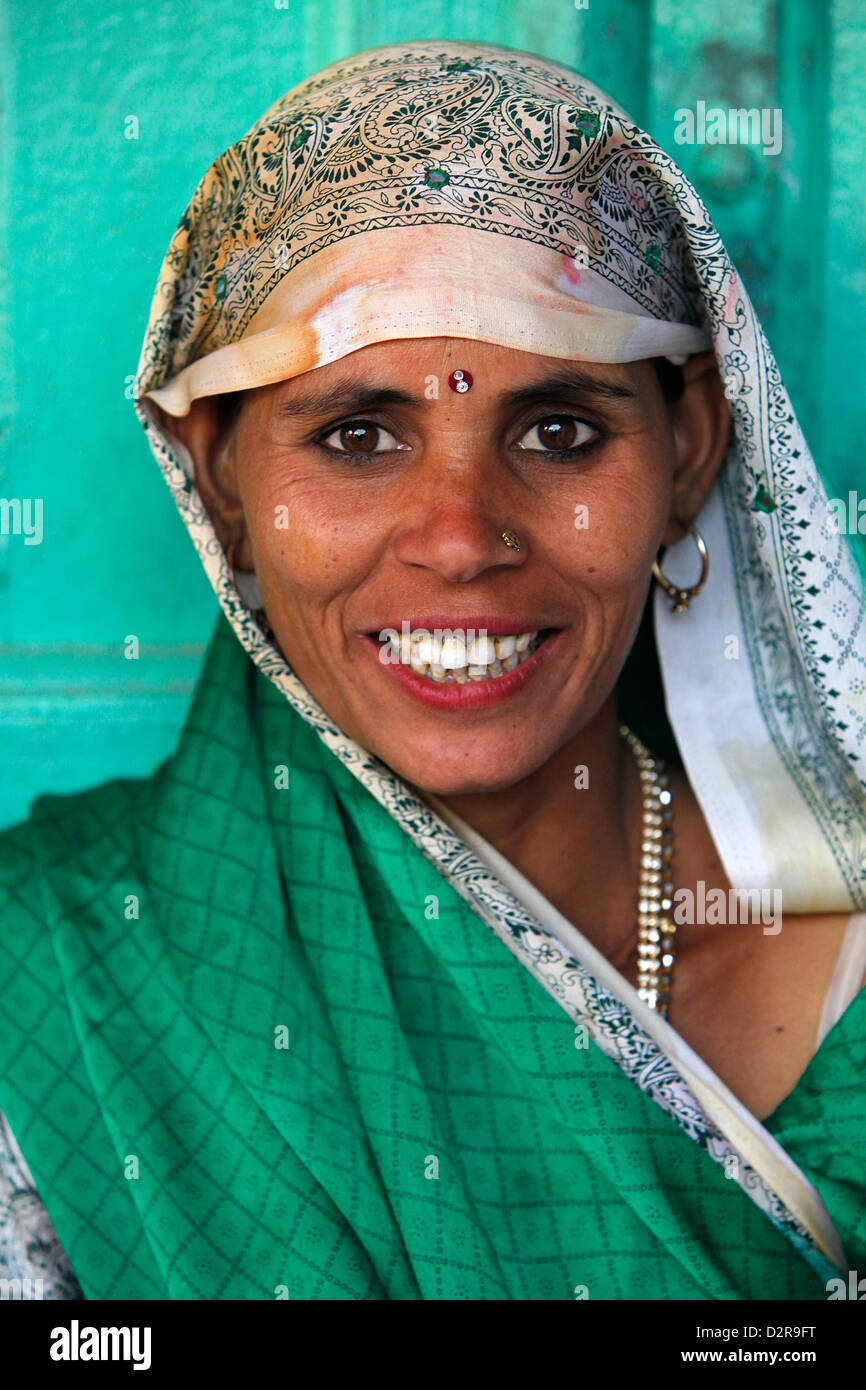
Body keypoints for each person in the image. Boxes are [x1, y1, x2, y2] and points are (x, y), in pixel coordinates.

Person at [1, 39, 864, 1302]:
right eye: (357, 435)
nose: (460, 536)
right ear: (220, 482)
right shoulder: (57, 988)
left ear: (685, 453)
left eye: (557, 431)